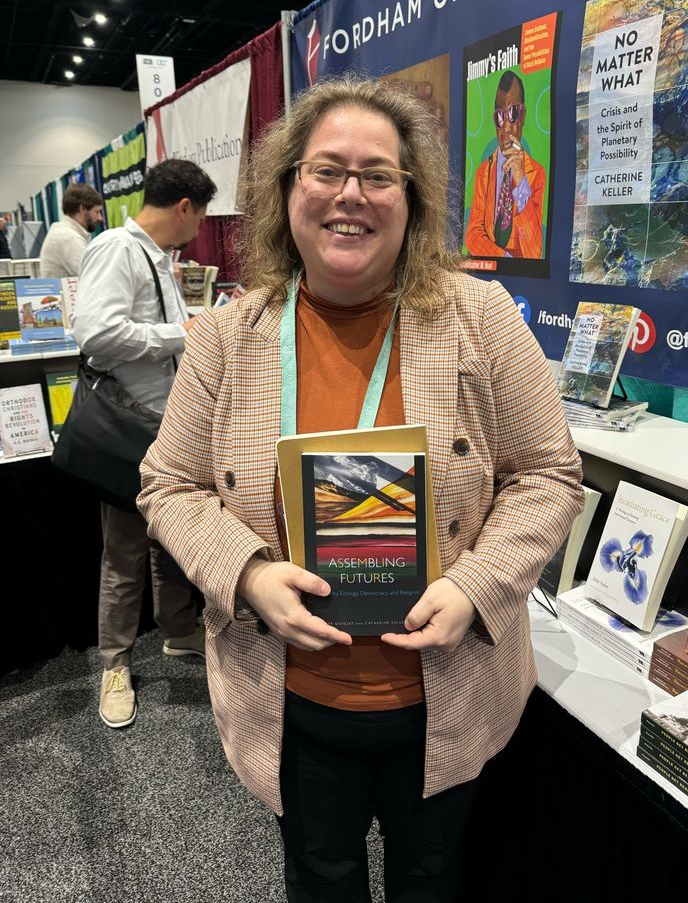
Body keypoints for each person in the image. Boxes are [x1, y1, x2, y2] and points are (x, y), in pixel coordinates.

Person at [138, 76, 583, 902]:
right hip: (292, 704)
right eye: (327, 171)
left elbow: (549, 473)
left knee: (432, 880)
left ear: (410, 199)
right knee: (321, 879)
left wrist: (478, 585)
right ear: (287, 189)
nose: (352, 195)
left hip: (445, 698)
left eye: (378, 175)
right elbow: (168, 484)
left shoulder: (481, 319)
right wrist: (246, 573)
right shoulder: (229, 337)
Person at [74, 158, 217, 729]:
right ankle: (114, 664)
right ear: (185, 207)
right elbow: (96, 333)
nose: (197, 228)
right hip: (132, 429)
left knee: (171, 541)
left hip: (168, 426)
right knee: (127, 552)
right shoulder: (117, 248)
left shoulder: (158, 259)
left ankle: (180, 631)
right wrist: (177, 333)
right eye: (200, 216)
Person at [464, 69, 546, 260]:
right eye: (500, 117)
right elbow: (473, 236)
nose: (506, 127)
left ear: (523, 115)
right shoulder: (484, 171)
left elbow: (534, 251)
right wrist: (504, 259)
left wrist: (521, 182)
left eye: (513, 113)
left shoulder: (537, 173)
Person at [39, 183, 104, 277]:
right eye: (97, 212)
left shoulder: (64, 231)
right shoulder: (68, 238)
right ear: (82, 209)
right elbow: (97, 276)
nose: (100, 218)